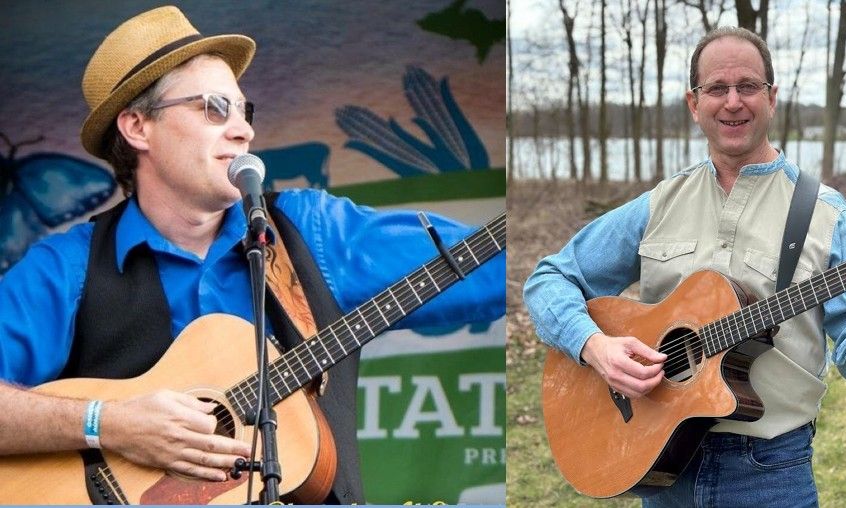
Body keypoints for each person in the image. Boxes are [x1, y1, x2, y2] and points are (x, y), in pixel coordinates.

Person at [0, 6, 504, 505]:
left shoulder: (314, 232)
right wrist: (106, 424)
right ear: (137, 127)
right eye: (214, 108)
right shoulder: (67, 269)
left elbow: (502, 263)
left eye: (244, 110)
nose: (243, 130)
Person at [524, 26, 846, 507]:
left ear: (771, 98)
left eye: (748, 86)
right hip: (660, 457)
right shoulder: (658, 205)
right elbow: (548, 279)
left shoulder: (827, 213)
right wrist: (594, 346)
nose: (733, 102)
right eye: (717, 89)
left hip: (771, 473)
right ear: (694, 104)